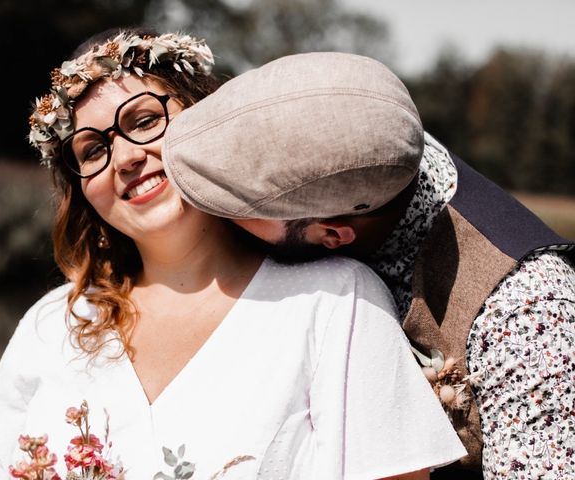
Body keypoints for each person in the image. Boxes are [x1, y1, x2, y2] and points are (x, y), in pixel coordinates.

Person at [0, 30, 467, 480]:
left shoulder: (335, 302)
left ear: (206, 121)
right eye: (92, 151)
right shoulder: (54, 323)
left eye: (144, 121)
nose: (124, 157)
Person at [160, 52, 575, 479]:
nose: (209, 217)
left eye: (233, 207)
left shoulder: (527, 313)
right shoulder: (349, 128)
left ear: (332, 234)